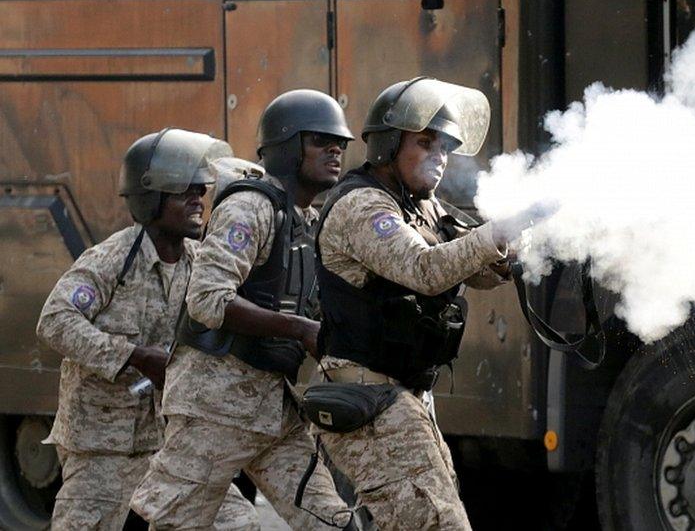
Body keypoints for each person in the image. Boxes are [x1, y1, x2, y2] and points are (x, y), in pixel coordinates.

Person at [313, 77, 550, 530]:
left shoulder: (424, 206)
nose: (440, 156)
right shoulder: (363, 206)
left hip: (405, 396)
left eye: (445, 147)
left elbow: (470, 269)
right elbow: (426, 271)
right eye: (425, 143)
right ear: (387, 144)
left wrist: (513, 246)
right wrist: (496, 233)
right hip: (372, 398)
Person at [130, 90, 357, 529]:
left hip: (276, 411)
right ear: (288, 148)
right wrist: (298, 329)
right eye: (321, 140)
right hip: (216, 407)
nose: (335, 151)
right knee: (166, 519)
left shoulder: (310, 221)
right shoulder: (250, 208)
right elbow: (208, 299)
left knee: (333, 521)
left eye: (341, 144)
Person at [35, 129, 259, 530]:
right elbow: (55, 321)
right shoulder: (112, 260)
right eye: (183, 193)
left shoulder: (201, 265)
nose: (198, 200)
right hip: (102, 450)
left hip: (173, 449)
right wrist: (135, 357)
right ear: (151, 200)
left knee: (239, 524)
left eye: (200, 190)